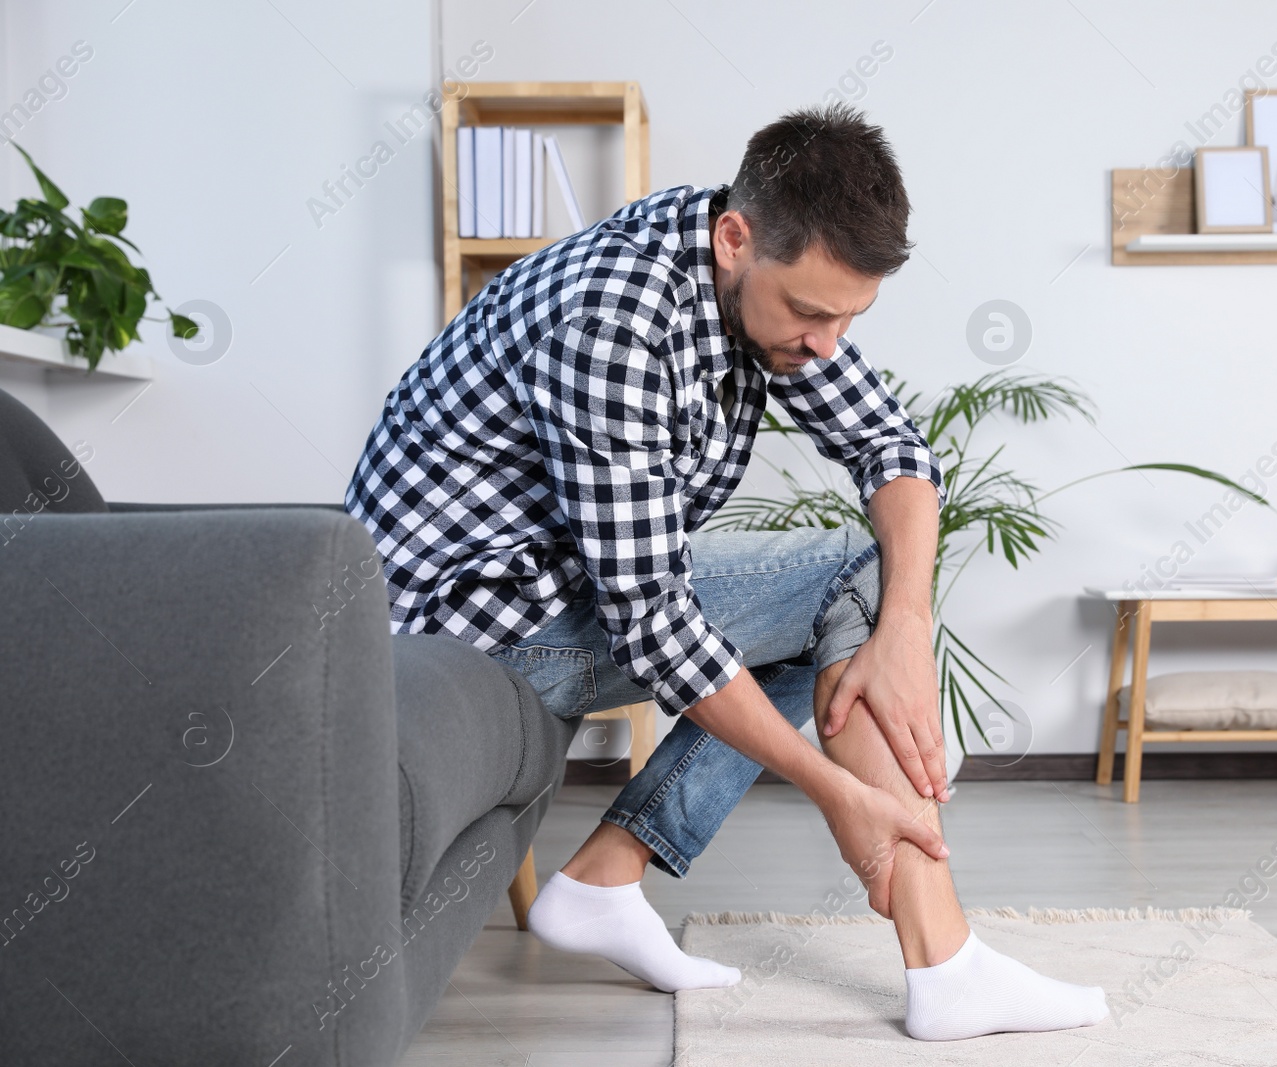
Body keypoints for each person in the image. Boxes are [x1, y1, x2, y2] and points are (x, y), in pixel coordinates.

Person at [347, 103, 1106, 1041]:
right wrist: (843, 797)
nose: (826, 341)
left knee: (865, 593)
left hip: (554, 592)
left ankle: (609, 876)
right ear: (735, 238)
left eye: (849, 317)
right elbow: (654, 623)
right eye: (813, 313)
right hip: (463, 639)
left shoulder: (757, 285)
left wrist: (907, 626)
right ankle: (945, 962)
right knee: (835, 586)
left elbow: (894, 448)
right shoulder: (611, 319)